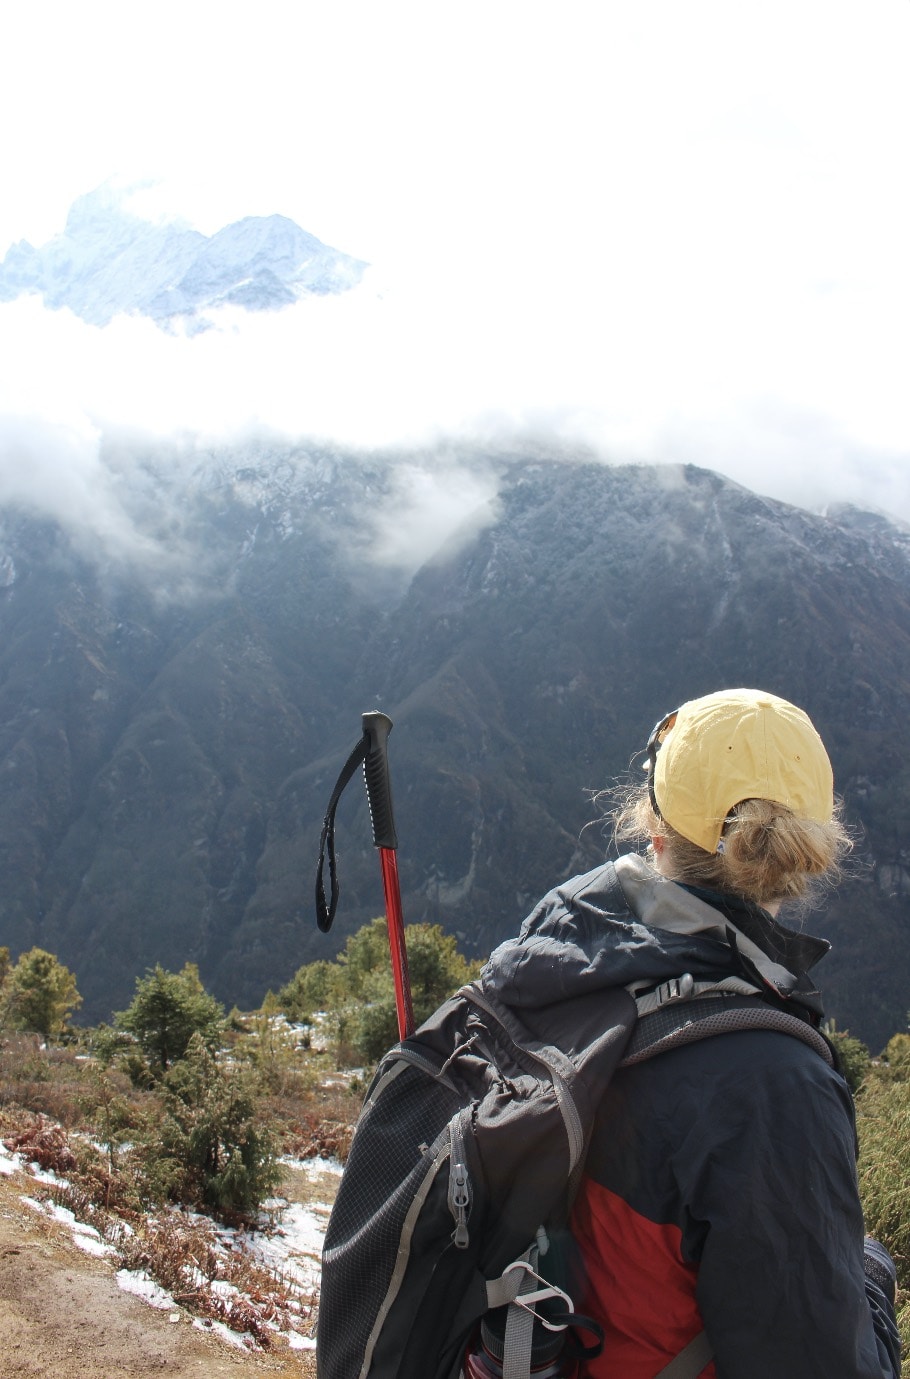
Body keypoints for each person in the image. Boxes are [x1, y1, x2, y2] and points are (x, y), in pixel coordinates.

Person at [559, 688, 902, 1378]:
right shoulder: (772, 1088)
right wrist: (870, 1274)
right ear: (803, 855)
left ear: (655, 829)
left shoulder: (564, 964)